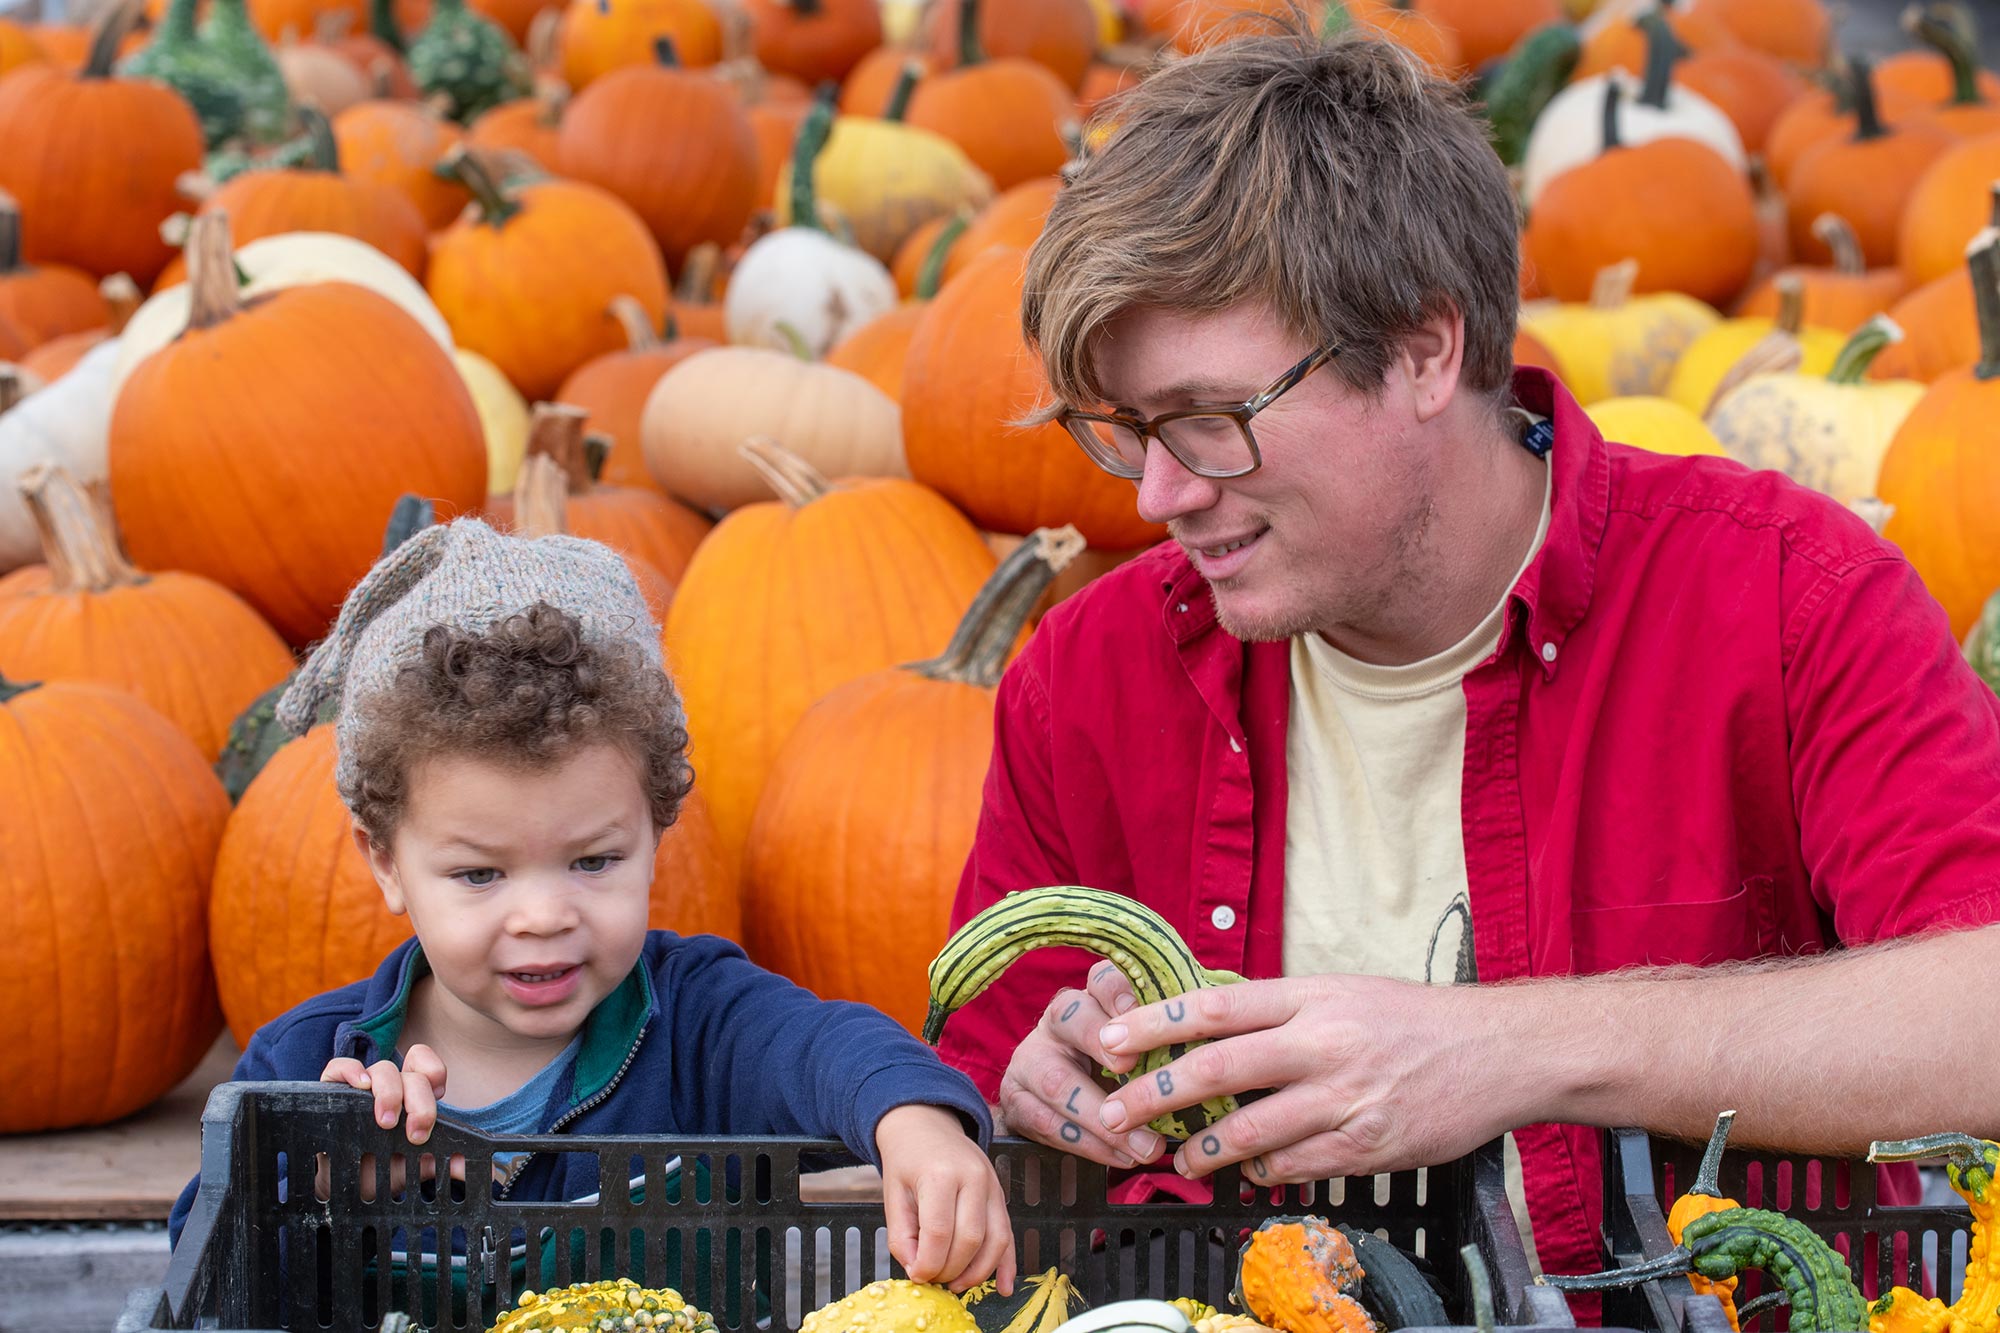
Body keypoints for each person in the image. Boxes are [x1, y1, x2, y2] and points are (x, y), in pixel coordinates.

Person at [933, 24, 2000, 1289]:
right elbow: (980, 1134)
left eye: (1209, 422)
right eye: (1123, 431)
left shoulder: (1780, 596)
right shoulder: (1089, 674)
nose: (1159, 491)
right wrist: (1045, 1109)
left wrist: (1506, 1047)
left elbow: (1975, 1011)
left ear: (1427, 350)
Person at [170, 519, 1015, 1297]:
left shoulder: (700, 1021)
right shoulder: (305, 1064)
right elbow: (199, 1273)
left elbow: (829, 1046)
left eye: (593, 860)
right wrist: (316, 1185)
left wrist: (915, 1121)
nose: (542, 915)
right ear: (386, 862)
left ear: (656, 827)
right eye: (479, 875)